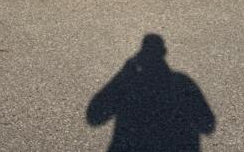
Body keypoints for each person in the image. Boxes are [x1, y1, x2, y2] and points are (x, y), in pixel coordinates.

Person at [87, 34, 215, 151]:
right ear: (164, 53)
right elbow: (207, 125)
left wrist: (122, 75)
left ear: (140, 57)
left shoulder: (127, 83)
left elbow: (94, 116)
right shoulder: (183, 83)